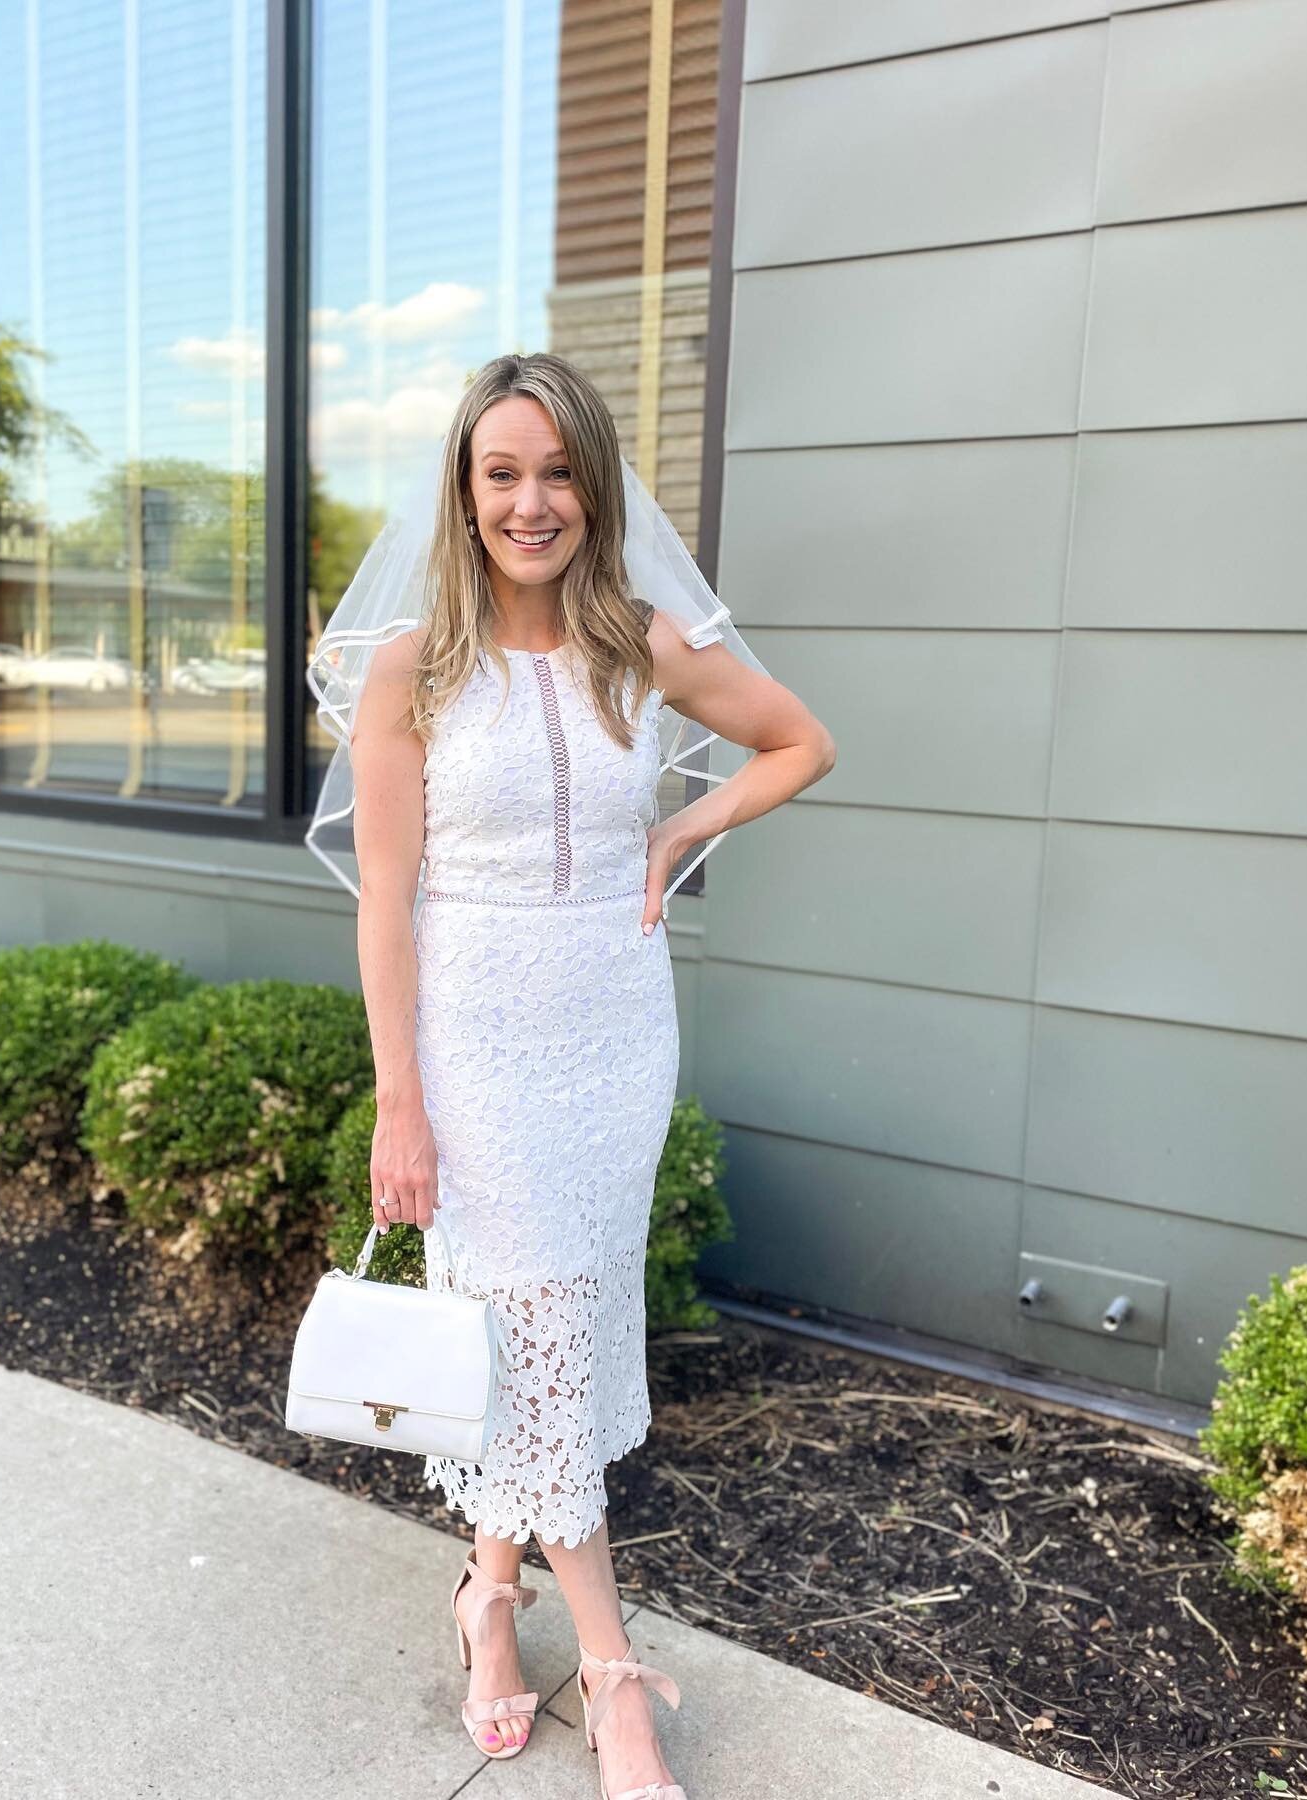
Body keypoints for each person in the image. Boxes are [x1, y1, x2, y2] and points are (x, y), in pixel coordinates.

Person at [319, 352, 836, 1798]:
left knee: (557, 1328)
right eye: (502, 473)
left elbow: (805, 740)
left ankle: (492, 1597)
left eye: (557, 473)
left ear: (593, 486)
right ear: (465, 490)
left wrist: (685, 833)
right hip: (474, 1042)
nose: (531, 501)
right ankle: (609, 1671)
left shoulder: (643, 641)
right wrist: (400, 1097)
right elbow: (382, 896)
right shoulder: (408, 666)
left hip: (614, 1030)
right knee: (532, 1325)